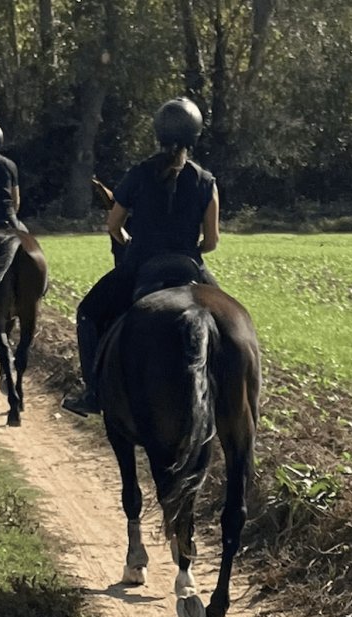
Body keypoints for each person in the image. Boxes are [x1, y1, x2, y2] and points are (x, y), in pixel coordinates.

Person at [61, 96, 220, 417]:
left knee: (88, 313)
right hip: (189, 265)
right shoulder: (206, 182)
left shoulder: (138, 174)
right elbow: (212, 241)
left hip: (140, 266)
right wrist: (191, 250)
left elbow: (114, 225)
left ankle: (93, 393)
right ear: (195, 135)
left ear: (158, 134)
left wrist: (129, 242)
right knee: (228, 319)